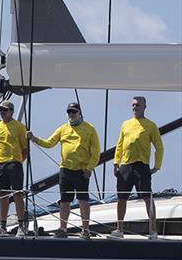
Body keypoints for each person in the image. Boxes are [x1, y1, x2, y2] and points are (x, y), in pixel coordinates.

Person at [28, 102, 100, 239]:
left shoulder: (89, 129)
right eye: (69, 112)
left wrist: (90, 168)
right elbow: (49, 143)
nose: (71, 114)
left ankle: (85, 230)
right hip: (65, 170)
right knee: (64, 200)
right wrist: (34, 138)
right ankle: (63, 229)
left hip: (82, 170)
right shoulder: (63, 128)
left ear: (79, 112)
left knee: (83, 200)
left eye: (74, 111)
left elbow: (96, 152)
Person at [109, 96, 164, 240]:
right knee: (122, 198)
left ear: (145, 106)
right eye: (133, 105)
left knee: (147, 197)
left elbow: (159, 147)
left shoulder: (151, 125)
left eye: (138, 105)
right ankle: (119, 229)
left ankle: (153, 231)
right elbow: (120, 145)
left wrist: (156, 166)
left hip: (141, 165)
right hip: (125, 166)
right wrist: (116, 163)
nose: (135, 107)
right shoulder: (125, 124)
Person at [0, 100, 28, 237]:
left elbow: (25, 148)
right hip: (0, 163)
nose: (2, 112)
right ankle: (2, 225)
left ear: (11, 111)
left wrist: (18, 161)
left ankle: (21, 225)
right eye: (0, 110)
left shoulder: (19, 127)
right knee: (3, 194)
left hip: (14, 163)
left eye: (5, 110)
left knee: (17, 193)